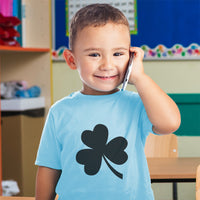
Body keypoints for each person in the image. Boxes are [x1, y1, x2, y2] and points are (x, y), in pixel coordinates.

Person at [35, 4, 180, 200]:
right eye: (94, 54)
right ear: (71, 60)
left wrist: (140, 78)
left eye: (118, 54)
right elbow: (49, 168)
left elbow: (170, 123)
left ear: (131, 57)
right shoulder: (59, 111)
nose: (107, 65)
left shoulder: (137, 104)